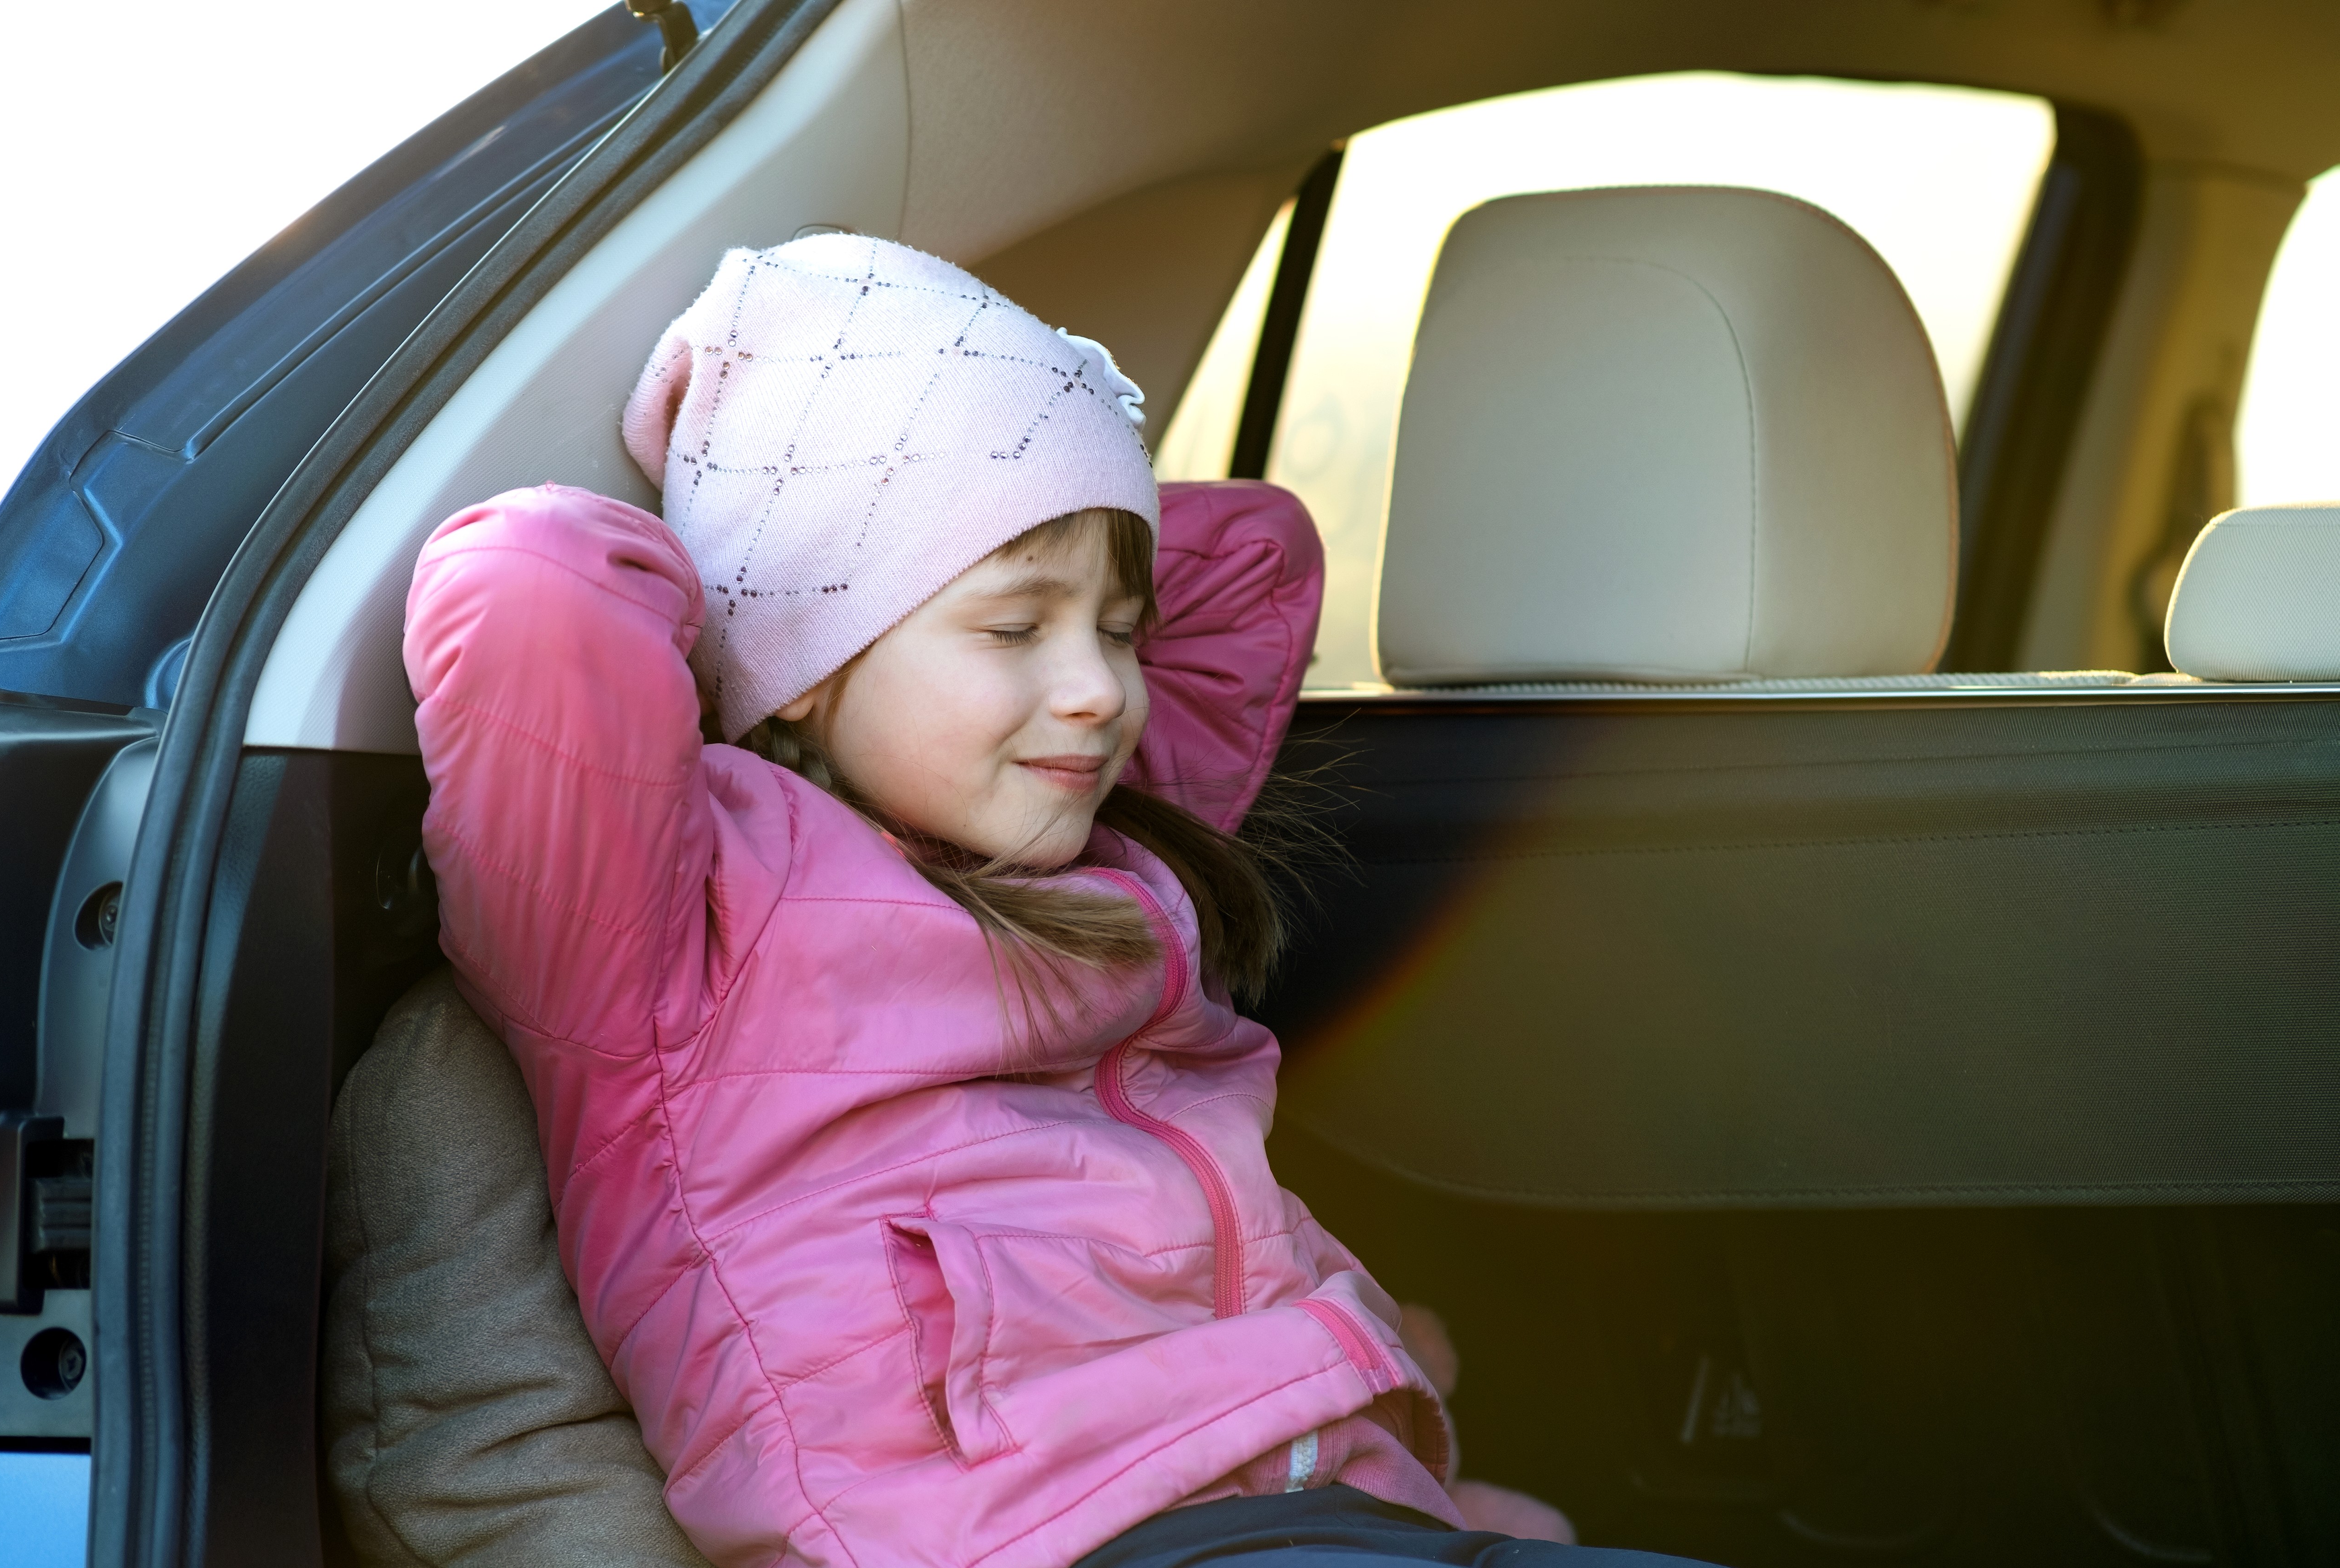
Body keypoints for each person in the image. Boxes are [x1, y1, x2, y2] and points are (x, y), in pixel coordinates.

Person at [403, 234, 1712, 1568]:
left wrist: (1039, 524)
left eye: (1118, 629)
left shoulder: (1091, 854)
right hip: (1033, 1537)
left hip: (1312, 1490)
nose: (1097, 688)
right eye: (1015, 627)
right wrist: (764, 582)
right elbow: (536, 587)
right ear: (807, 654)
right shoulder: (671, 936)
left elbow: (1252, 556)